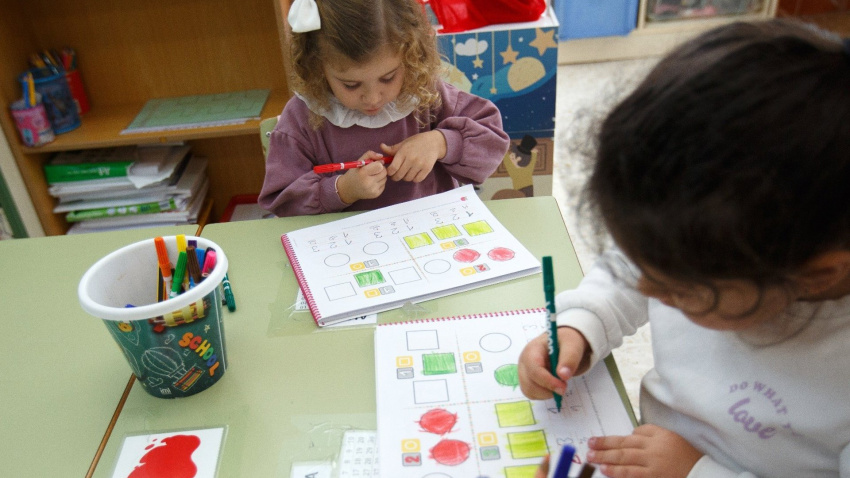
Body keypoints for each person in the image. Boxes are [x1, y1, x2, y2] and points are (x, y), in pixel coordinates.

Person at [519, 19, 850, 478]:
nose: (646, 288)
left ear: (815, 273)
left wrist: (695, 472)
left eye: (678, 290)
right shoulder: (698, 245)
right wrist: (581, 327)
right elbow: (632, 268)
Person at [259, 0, 510, 217]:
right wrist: (343, 190)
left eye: (388, 78)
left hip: (432, 241)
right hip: (350, 254)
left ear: (410, 55)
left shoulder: (423, 93)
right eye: (351, 84)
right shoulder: (304, 116)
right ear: (317, 68)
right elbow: (282, 203)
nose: (372, 97)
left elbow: (492, 142)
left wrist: (440, 143)